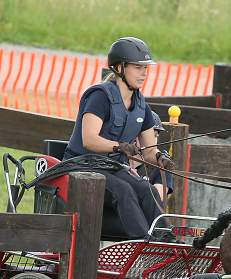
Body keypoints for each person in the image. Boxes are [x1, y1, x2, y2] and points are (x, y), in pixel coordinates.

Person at [63, 37, 176, 240]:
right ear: (119, 68)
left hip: (111, 169)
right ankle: (142, 244)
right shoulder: (99, 97)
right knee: (124, 191)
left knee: (146, 189)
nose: (144, 73)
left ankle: (167, 243)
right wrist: (119, 147)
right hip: (82, 167)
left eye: (146, 68)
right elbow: (89, 139)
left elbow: (148, 151)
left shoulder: (143, 108)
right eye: (138, 67)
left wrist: (159, 158)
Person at [135, 111, 174, 205]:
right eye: (146, 135)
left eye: (155, 136)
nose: (151, 140)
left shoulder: (163, 162)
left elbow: (156, 197)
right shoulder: (119, 158)